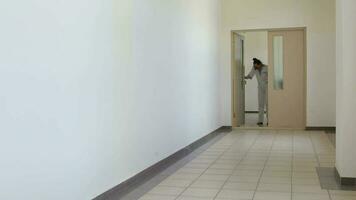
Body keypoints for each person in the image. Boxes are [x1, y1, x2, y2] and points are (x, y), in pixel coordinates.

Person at [245, 58, 268, 126]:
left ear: (260, 64)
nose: (256, 68)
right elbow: (250, 76)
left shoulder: (266, 68)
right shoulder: (255, 68)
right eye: (255, 67)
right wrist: (242, 77)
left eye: (257, 66)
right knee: (260, 104)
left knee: (268, 104)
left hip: (267, 87)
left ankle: (269, 120)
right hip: (260, 88)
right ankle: (260, 121)